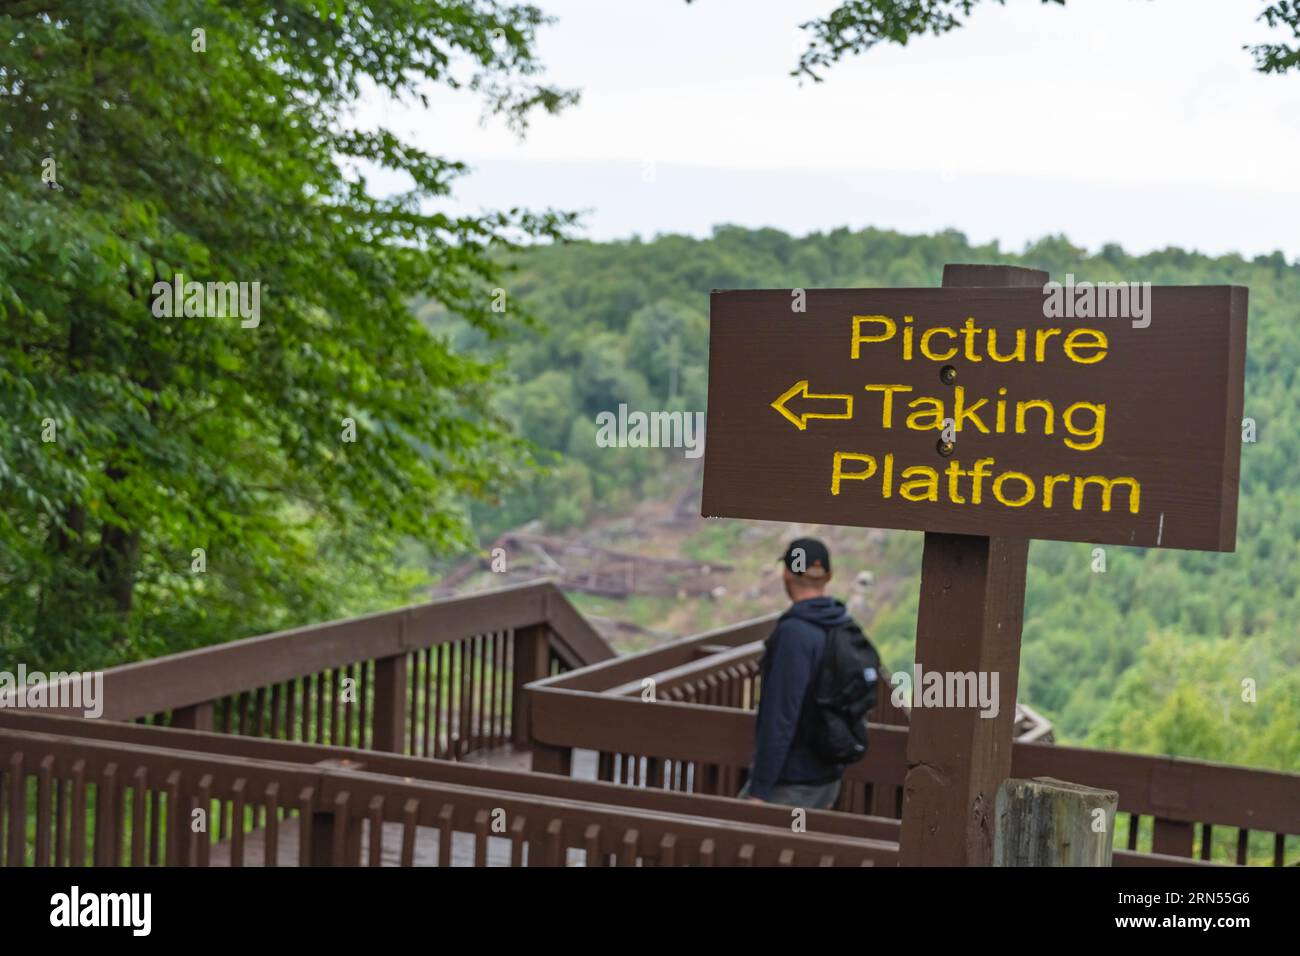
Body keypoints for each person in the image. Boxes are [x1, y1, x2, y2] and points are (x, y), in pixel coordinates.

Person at [739, 537, 860, 810]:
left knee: (735, 849)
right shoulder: (843, 626)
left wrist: (759, 790)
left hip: (791, 782)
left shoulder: (794, 634)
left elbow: (781, 716)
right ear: (828, 576)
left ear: (787, 575)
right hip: (828, 778)